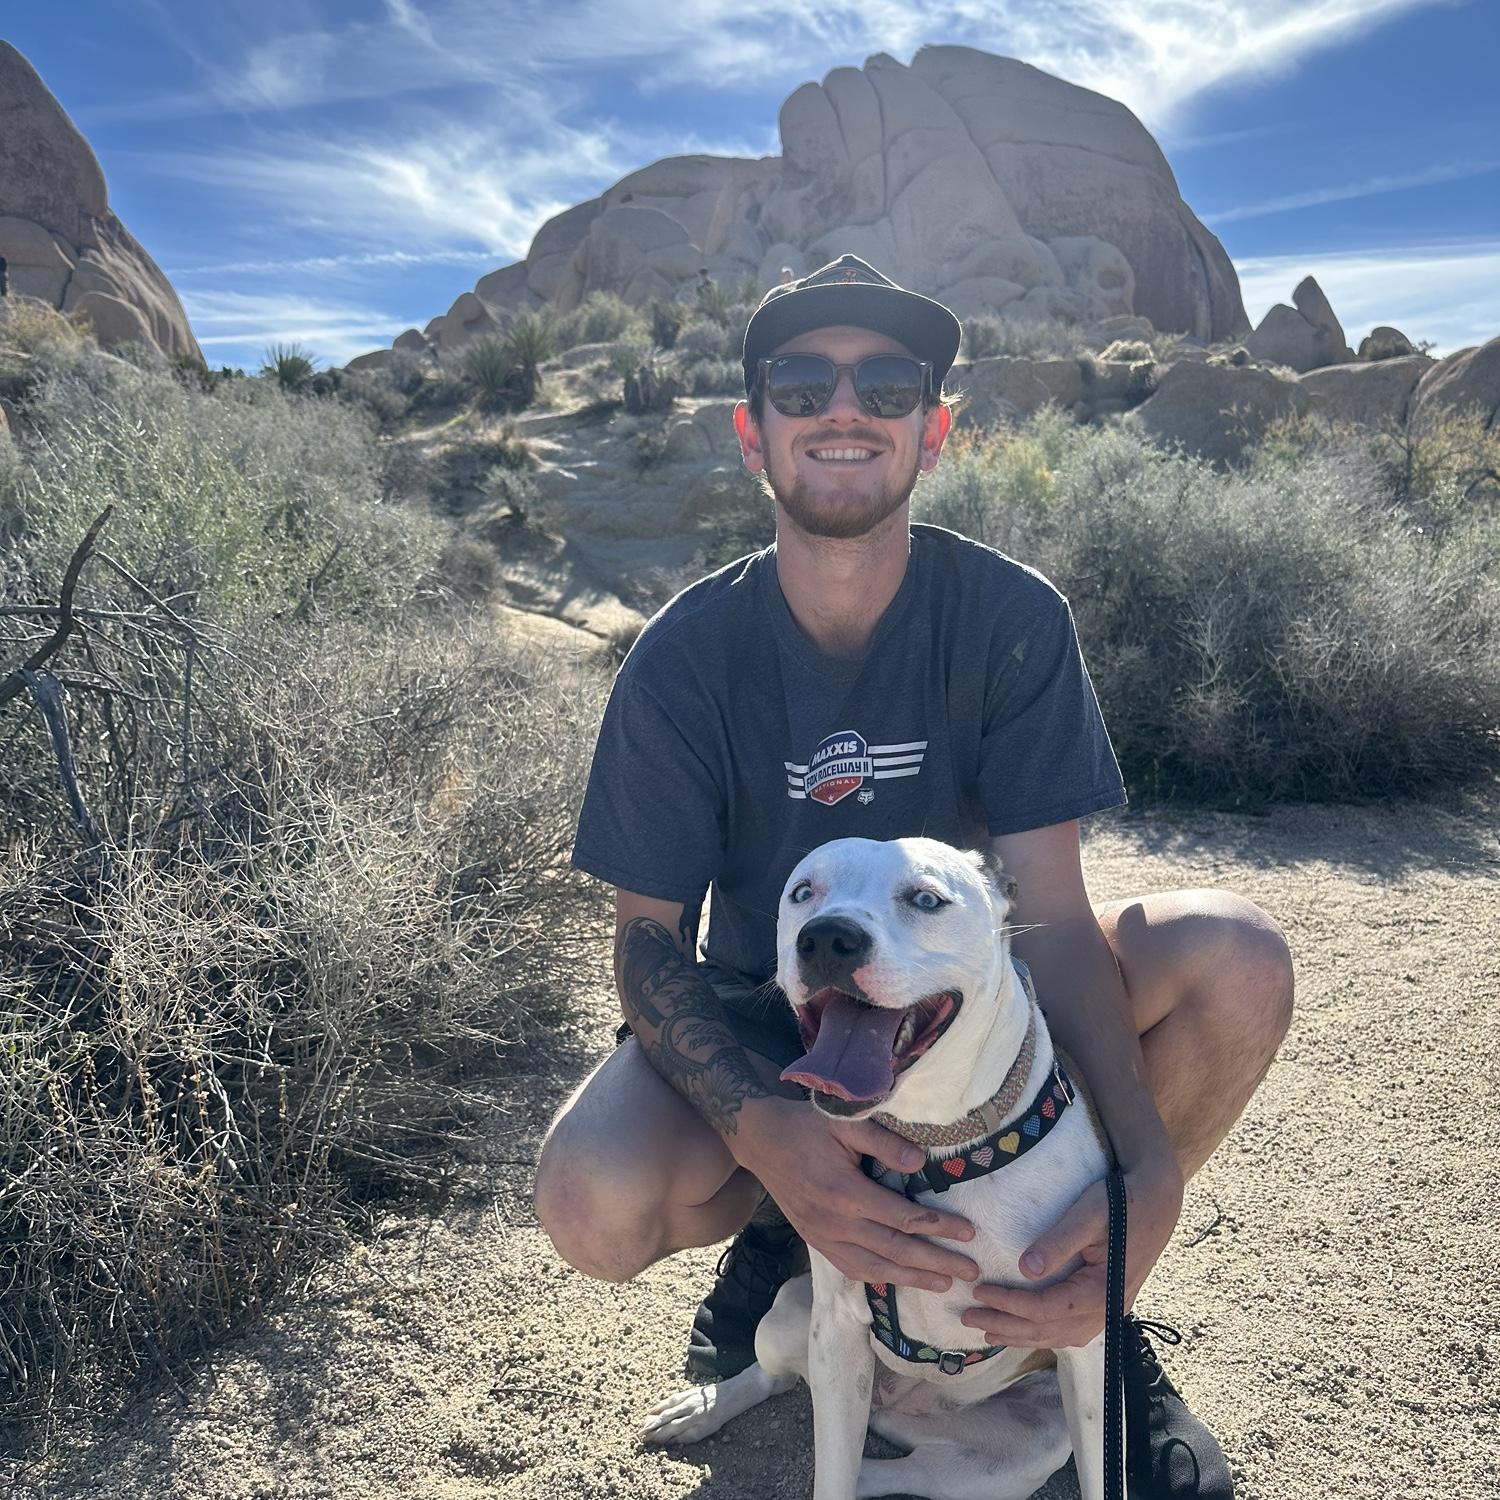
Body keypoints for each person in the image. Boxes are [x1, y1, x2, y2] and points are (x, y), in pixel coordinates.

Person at [536, 254, 1293, 1496]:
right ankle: (791, 1236)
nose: (846, 408)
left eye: (887, 385)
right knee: (591, 1198)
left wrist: (1145, 1176)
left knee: (1239, 962)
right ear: (752, 432)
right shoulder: (682, 660)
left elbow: (1049, 915)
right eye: (802, 381)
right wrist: (768, 1133)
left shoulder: (1010, 618)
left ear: (935, 432)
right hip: (770, 1019)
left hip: (968, 990)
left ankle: (1078, 1296)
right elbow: (645, 950)